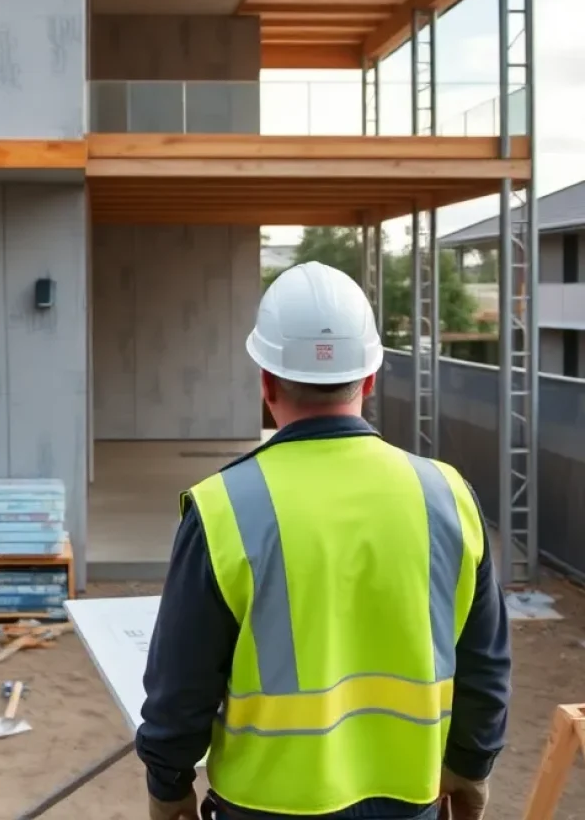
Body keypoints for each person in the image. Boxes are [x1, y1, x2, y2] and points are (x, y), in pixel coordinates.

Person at [137, 261, 511, 820]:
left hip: (263, 806)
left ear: (265, 383)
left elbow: (180, 686)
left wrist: (168, 789)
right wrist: (470, 768)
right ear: (369, 380)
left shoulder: (223, 508)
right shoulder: (449, 496)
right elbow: (483, 664)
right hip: (410, 799)